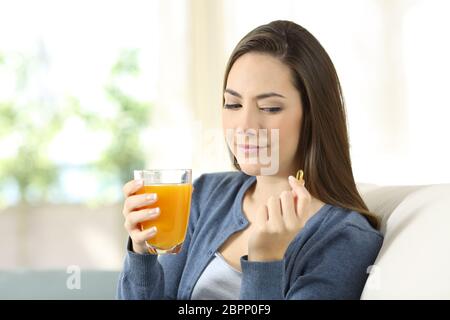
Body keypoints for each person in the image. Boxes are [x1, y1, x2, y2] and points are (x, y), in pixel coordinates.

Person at [117, 20, 383, 300]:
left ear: (313, 117)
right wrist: (141, 254)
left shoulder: (346, 240)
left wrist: (265, 261)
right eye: (233, 104)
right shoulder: (206, 196)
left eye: (269, 107)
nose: (245, 125)